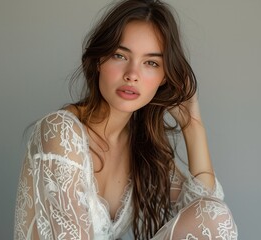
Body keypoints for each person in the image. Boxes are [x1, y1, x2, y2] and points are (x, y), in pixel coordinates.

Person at [13, 0, 238, 239]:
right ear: (99, 59)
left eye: (151, 63)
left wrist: (193, 125)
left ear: (164, 77)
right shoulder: (60, 132)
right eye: (120, 55)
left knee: (214, 214)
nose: (132, 75)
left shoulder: (141, 149)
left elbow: (208, 218)